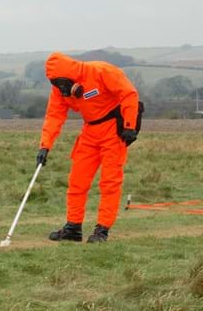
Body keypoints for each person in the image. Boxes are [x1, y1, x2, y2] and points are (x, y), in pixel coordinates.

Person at [37, 52, 141, 243]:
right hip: (89, 132)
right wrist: (45, 145)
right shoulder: (60, 90)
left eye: (62, 82)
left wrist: (129, 126)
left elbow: (128, 94)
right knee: (77, 181)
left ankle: (102, 230)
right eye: (56, 83)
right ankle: (73, 227)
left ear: (72, 74)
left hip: (113, 130)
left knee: (110, 182)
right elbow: (54, 116)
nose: (61, 88)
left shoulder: (101, 71)